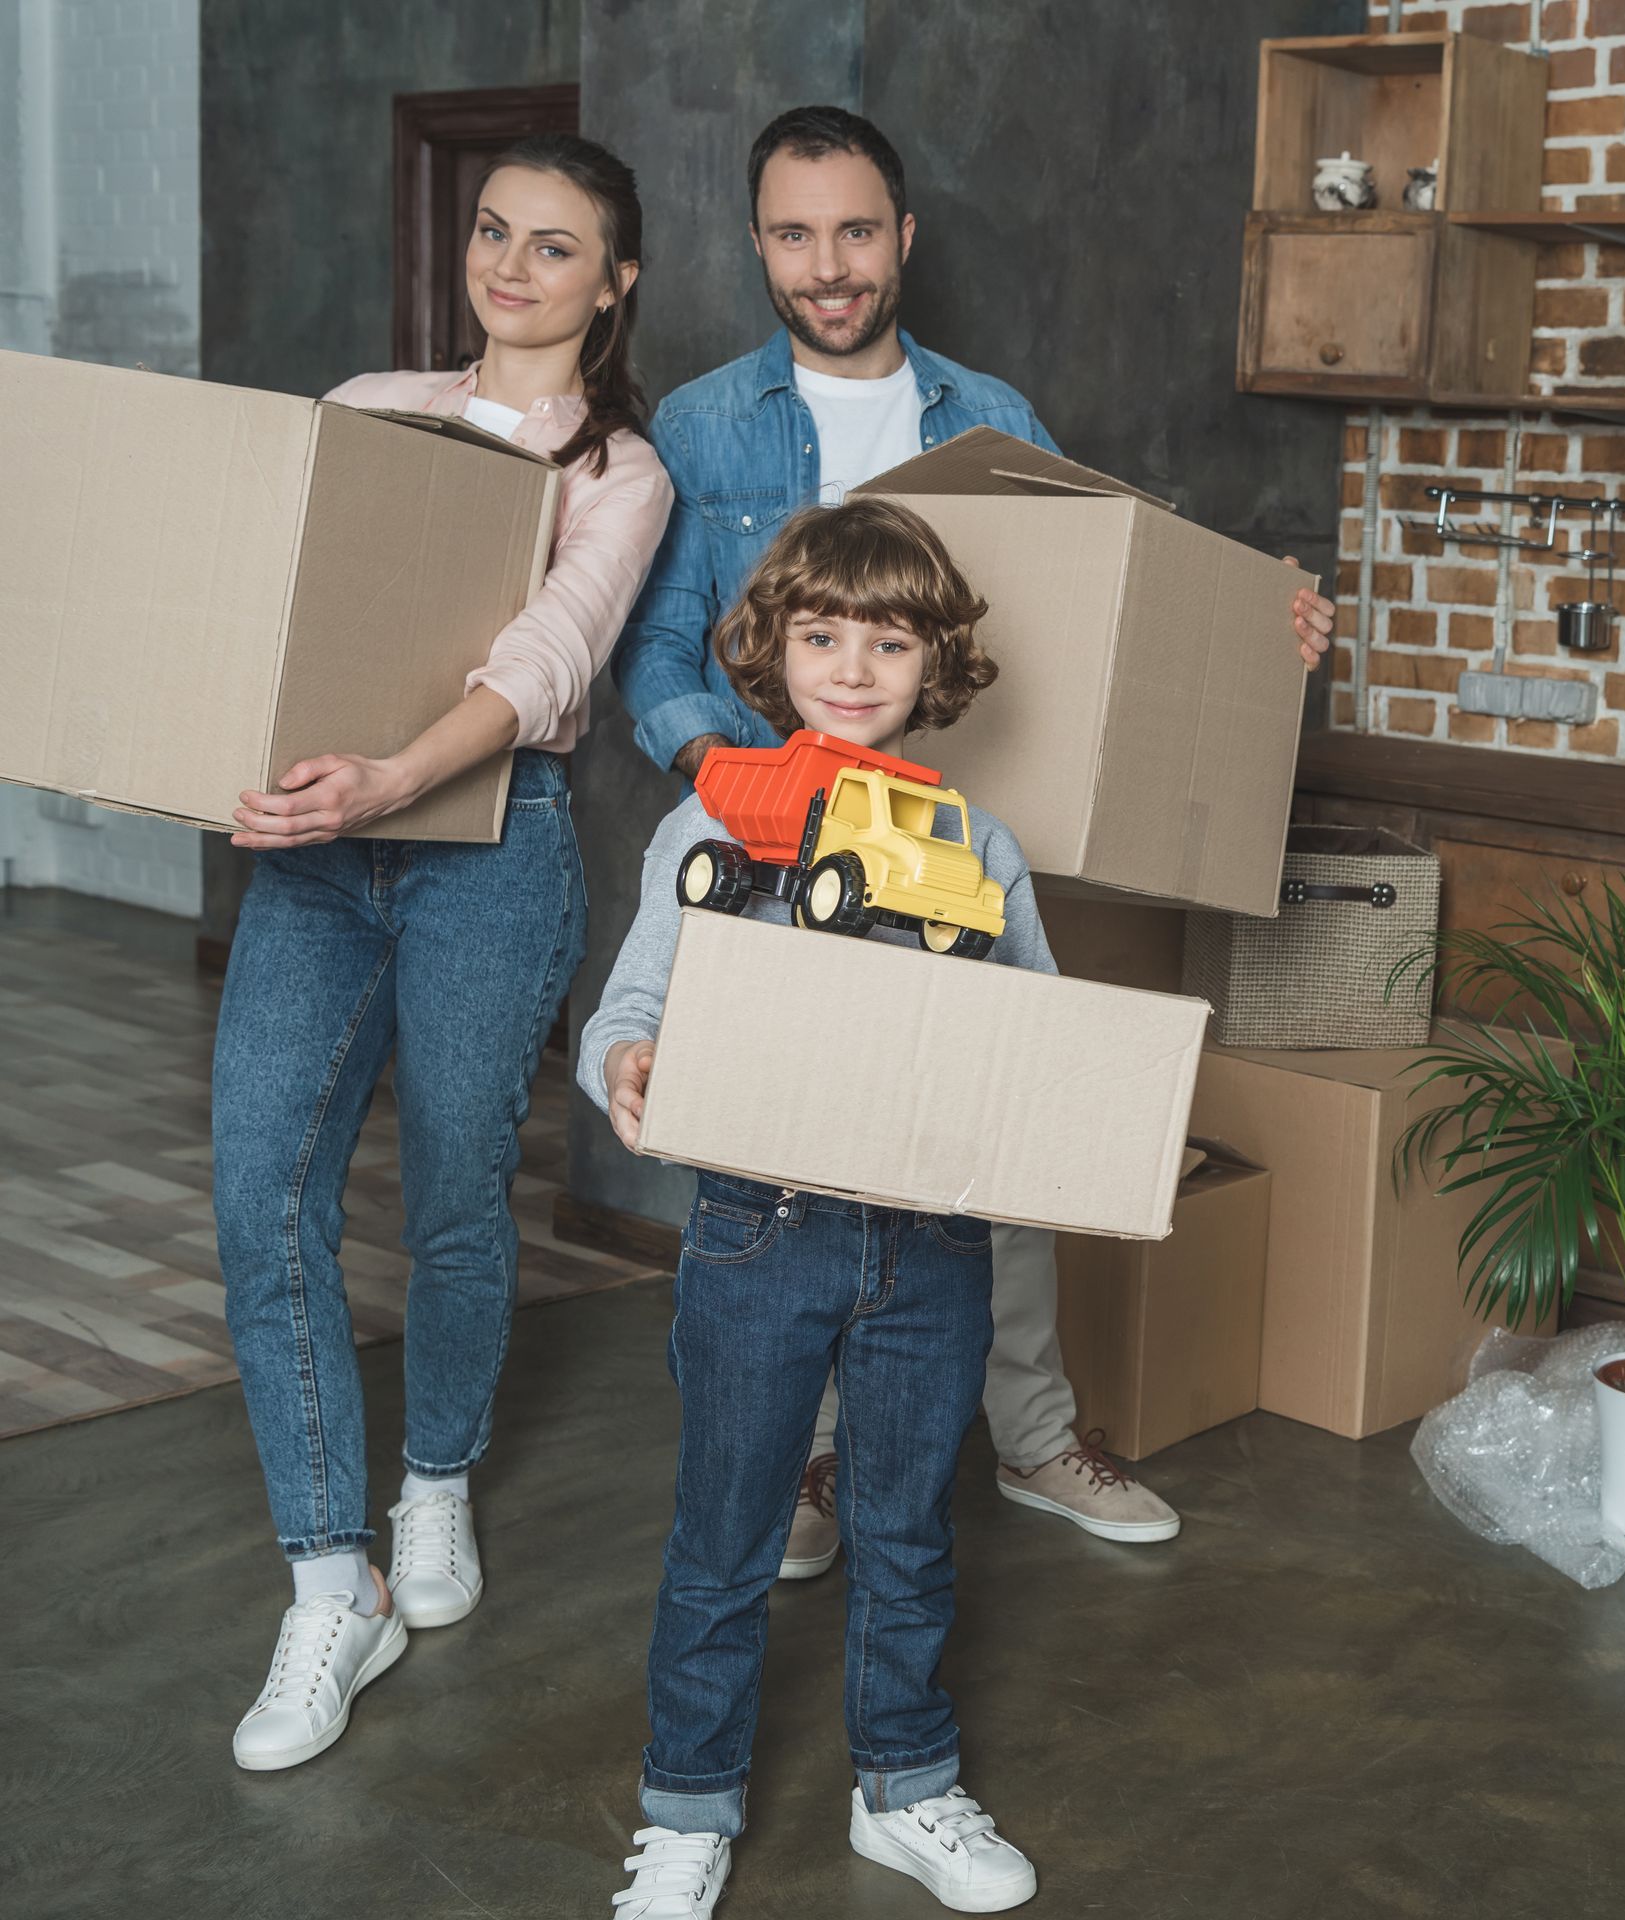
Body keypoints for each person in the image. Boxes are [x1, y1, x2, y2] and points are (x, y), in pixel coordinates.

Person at [615, 102, 1337, 1579]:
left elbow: (1101, 599)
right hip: (785, 865)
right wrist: (753, 786)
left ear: (905, 237)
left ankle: (1032, 1434)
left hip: (951, 853)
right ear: (758, 243)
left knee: (986, 1139)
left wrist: (1261, 637)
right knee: (799, 1165)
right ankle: (815, 1462)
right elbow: (662, 655)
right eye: (798, 234)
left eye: (858, 230)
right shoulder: (695, 426)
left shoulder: (992, 412)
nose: (831, 264)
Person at [213, 132, 673, 1772]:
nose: (511, 267)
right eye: (495, 233)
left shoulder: (620, 470)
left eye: (557, 248)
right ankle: (330, 1582)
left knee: (458, 1198)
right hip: (319, 857)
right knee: (262, 1192)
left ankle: (434, 1486)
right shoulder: (366, 405)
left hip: (490, 850)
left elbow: (551, 656)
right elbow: (265, 612)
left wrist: (401, 775)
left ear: (613, 282)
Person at [583, 498, 1049, 1916]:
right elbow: (636, 998)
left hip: (928, 1239)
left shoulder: (976, 841)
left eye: (889, 640)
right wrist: (630, 1057)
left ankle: (905, 1783)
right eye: (823, 634)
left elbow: (1032, 1030)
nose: (853, 666)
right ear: (773, 647)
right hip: (757, 1228)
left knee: (909, 1526)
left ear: (936, 663)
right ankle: (687, 1802)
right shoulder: (711, 822)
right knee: (725, 1529)